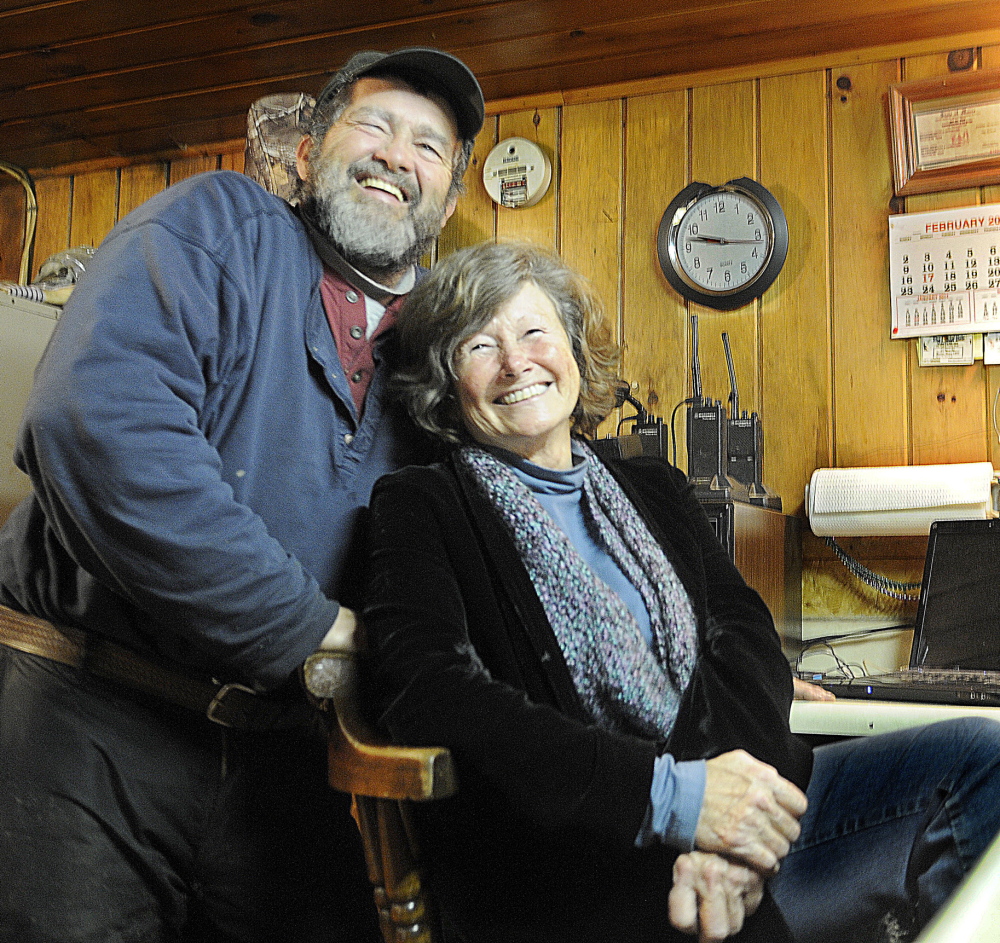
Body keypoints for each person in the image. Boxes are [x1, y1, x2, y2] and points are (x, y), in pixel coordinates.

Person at [361, 239, 1000, 943]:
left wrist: (728, 829)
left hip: (737, 818)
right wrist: (674, 800)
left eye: (535, 331)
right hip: (592, 855)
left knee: (977, 760)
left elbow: (747, 639)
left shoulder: (652, 486)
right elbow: (431, 690)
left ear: (573, 351)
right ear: (447, 385)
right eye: (480, 346)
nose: (517, 362)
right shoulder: (421, 504)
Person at [0, 47, 484, 943]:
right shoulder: (216, 225)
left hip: (288, 760)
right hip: (93, 718)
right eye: (372, 125)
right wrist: (310, 628)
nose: (394, 154)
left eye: (429, 146)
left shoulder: (444, 351)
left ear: (448, 199)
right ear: (307, 154)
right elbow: (99, 429)